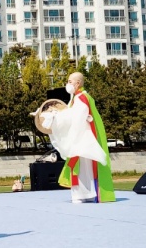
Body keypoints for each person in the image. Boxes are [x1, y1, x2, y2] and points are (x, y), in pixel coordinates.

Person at [42, 72, 115, 203]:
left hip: (82, 138)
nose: (68, 84)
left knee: (80, 167)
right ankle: (87, 194)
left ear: (78, 83)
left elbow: (75, 117)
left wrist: (56, 116)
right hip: (82, 138)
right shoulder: (77, 98)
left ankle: (81, 195)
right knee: (83, 168)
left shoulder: (82, 98)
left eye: (70, 81)